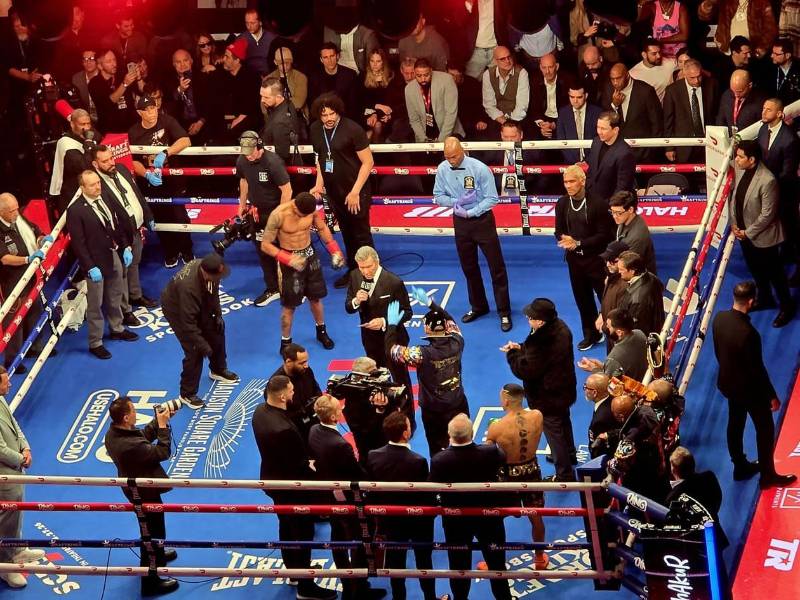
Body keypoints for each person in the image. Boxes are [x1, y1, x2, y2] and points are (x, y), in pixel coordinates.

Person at [251, 376, 337, 600]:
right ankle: (305, 587)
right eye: (290, 391)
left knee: (286, 526)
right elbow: (300, 465)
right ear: (282, 396)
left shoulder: (260, 411)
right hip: (292, 487)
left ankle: (295, 571)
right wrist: (315, 467)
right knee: (302, 532)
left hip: (273, 480)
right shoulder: (283, 430)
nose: (293, 394)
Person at [712, 280, 797, 488]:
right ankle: (768, 476)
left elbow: (718, 351)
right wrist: (772, 396)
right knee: (765, 430)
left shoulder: (719, 318)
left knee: (735, 423)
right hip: (749, 390)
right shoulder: (749, 333)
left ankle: (740, 466)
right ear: (751, 301)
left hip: (728, 384)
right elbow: (757, 370)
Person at [307, 395, 386, 600]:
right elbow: (357, 475)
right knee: (359, 540)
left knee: (338, 539)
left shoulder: (314, 430)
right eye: (338, 409)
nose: (342, 410)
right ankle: (357, 588)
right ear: (334, 417)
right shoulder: (340, 445)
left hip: (329, 496)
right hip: (347, 500)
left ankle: (350, 584)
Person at [429, 414, 512, 600]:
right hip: (488, 519)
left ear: (449, 435)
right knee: (497, 565)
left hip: (456, 521)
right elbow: (503, 460)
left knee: (459, 567)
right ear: (472, 433)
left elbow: (432, 490)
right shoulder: (490, 452)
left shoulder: (440, 460)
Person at [433, 137, 511, 330]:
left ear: (462, 150)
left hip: (482, 221)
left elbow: (492, 198)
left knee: (496, 267)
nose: (451, 161)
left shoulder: (480, 168)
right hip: (460, 222)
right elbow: (438, 196)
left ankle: (504, 311)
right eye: (447, 157)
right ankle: (478, 306)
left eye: (454, 156)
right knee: (469, 267)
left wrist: (471, 211)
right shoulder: (442, 169)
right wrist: (457, 202)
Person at [104, 396, 178, 596]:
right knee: (152, 534)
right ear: (126, 417)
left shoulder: (115, 432)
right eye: (134, 410)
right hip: (142, 493)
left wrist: (159, 421)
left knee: (154, 530)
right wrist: (162, 427)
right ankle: (150, 583)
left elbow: (142, 437)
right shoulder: (127, 445)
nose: (136, 413)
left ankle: (158, 555)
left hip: (141, 489)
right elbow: (162, 452)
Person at [386, 289, 469, 456]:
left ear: (427, 329)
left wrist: (392, 326)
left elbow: (392, 351)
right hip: (458, 402)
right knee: (464, 442)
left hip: (434, 410)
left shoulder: (420, 354)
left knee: (437, 449)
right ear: (445, 328)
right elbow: (451, 321)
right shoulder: (457, 341)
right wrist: (432, 304)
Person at [502, 298, 577, 481]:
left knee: (553, 433)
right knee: (563, 421)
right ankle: (569, 454)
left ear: (541, 321)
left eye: (530, 317)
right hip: (564, 388)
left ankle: (564, 474)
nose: (528, 319)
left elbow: (526, 370)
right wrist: (521, 347)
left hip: (547, 396)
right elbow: (539, 355)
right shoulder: (561, 327)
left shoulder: (541, 341)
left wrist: (512, 354)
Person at [67, 170, 138, 359]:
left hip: (113, 254)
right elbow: (78, 244)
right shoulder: (75, 210)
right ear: (82, 187)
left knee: (115, 295)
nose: (97, 186)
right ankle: (95, 342)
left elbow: (116, 225)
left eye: (98, 182)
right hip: (95, 262)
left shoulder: (104, 197)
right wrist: (90, 266)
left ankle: (117, 328)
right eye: (92, 184)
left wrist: (125, 246)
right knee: (95, 304)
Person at [366, 412, 437, 600]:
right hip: (417, 521)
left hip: (390, 520)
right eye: (409, 425)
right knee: (424, 562)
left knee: (395, 563)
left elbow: (372, 491)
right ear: (406, 433)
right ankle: (430, 597)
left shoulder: (373, 456)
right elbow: (425, 496)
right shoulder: (417, 461)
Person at [260, 192, 344, 351]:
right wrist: (288, 258)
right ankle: (285, 342)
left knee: (316, 298)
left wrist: (335, 250)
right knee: (289, 306)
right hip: (288, 260)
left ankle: (321, 332)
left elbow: (322, 228)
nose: (303, 217)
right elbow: (265, 245)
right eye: (300, 214)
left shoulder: (311, 209)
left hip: (310, 257)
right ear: (294, 206)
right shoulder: (279, 214)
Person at [309, 93, 375, 287]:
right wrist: (319, 184)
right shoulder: (315, 130)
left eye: (332, 114)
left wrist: (355, 192)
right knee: (347, 233)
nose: (329, 118)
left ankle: (371, 275)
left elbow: (368, 162)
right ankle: (354, 271)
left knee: (361, 235)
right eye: (324, 115)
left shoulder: (353, 129)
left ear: (338, 112)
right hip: (334, 192)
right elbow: (321, 159)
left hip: (356, 191)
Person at [160, 254, 240, 410]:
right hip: (177, 309)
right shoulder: (189, 288)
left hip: (198, 301)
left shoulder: (209, 269)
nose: (219, 279)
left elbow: (213, 293)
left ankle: (218, 369)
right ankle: (187, 393)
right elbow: (188, 324)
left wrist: (218, 314)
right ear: (206, 273)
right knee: (194, 349)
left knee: (216, 329)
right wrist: (203, 345)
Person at [729, 140, 795, 327]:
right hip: (744, 235)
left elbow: (767, 215)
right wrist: (734, 224)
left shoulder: (767, 180)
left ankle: (787, 307)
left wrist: (747, 232)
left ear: (752, 160)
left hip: (764, 238)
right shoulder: (741, 170)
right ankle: (765, 298)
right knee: (756, 270)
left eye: (740, 157)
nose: (736, 160)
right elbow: (735, 199)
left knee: (776, 275)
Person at [91, 145, 157, 329]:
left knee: (134, 264)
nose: (111, 163)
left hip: (136, 227)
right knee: (120, 274)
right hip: (119, 236)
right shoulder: (97, 184)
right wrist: (123, 242)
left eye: (111, 158)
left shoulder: (121, 168)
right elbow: (109, 217)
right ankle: (125, 311)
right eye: (105, 161)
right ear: (95, 164)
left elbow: (136, 193)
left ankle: (135, 295)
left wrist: (148, 215)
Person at [486, 383, 548, 570]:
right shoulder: (537, 416)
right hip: (532, 470)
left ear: (506, 400)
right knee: (536, 516)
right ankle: (539, 558)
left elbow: (488, 455)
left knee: (495, 519)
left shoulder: (497, 427)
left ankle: (495, 563)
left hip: (507, 476)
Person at [127, 95, 193, 269]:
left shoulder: (167, 120)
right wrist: (146, 174)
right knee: (161, 217)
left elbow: (185, 140)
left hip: (172, 178)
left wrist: (166, 152)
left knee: (179, 214)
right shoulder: (133, 132)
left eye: (153, 107)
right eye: (147, 110)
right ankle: (171, 251)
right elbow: (132, 160)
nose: (152, 112)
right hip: (152, 181)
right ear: (140, 113)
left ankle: (187, 249)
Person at [555, 164, 615, 351]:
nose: (568, 185)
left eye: (572, 181)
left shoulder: (598, 204)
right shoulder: (562, 203)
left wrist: (579, 243)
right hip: (574, 261)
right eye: (565, 182)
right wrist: (564, 240)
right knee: (583, 300)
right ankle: (591, 335)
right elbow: (558, 230)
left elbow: (605, 235)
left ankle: (615, 334)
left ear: (582, 181)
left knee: (607, 299)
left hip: (596, 260)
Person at [236, 129, 292, 307]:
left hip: (276, 211)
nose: (248, 156)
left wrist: (280, 216)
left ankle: (294, 289)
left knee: (284, 250)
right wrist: (242, 204)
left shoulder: (273, 162)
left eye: (251, 152)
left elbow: (287, 190)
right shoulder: (242, 160)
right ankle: (273, 288)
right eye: (245, 152)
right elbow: (244, 181)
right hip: (257, 213)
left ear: (259, 146)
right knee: (263, 251)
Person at [0, 365, 45, 589]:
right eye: (5, 381)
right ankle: (5, 565)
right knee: (5, 518)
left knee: (16, 512)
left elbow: (14, 425)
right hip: (3, 475)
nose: (10, 383)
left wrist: (25, 447)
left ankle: (17, 549)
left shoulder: (1, 400)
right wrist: (20, 458)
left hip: (14, 470)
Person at [0, 193, 50, 373]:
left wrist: (42, 239)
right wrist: (27, 259)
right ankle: (13, 359)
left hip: (29, 276)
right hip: (11, 282)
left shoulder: (18, 218)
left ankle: (35, 346)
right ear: (1, 212)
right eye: (12, 211)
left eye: (16, 208)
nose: (16, 213)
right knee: (14, 319)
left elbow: (35, 231)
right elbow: (4, 258)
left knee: (34, 310)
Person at [757, 97, 800, 277]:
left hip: (785, 192)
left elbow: (788, 172)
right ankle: (782, 256)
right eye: (763, 108)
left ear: (779, 114)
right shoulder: (762, 130)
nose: (763, 112)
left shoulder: (790, 139)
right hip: (767, 190)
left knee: (791, 229)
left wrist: (769, 187)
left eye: (769, 110)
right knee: (774, 227)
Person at [607, 393, 670, 503]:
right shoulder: (647, 411)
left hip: (642, 478)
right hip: (659, 463)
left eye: (614, 414)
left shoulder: (631, 437)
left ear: (621, 416)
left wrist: (609, 467)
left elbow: (617, 464)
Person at [601, 63, 663, 163]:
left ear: (627, 75)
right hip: (618, 153)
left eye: (618, 78)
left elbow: (657, 122)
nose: (615, 82)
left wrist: (652, 150)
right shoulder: (608, 90)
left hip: (644, 152)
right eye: (612, 79)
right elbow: (605, 121)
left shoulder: (646, 91)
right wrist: (614, 105)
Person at [663, 59, 718, 167]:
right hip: (683, 145)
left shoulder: (712, 85)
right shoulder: (672, 91)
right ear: (684, 74)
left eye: (699, 76)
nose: (697, 81)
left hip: (707, 142)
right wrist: (669, 147)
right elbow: (668, 121)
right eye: (692, 78)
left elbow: (716, 114)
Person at [578, 308, 648, 381]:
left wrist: (594, 369)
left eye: (609, 326)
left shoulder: (614, 359)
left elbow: (607, 383)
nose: (606, 328)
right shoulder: (640, 334)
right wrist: (604, 366)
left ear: (619, 332)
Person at [169, 49, 222, 145]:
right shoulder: (168, 81)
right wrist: (180, 90)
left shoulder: (203, 77)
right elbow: (169, 104)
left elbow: (212, 103)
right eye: (178, 62)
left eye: (185, 60)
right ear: (174, 64)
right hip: (179, 126)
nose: (182, 64)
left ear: (191, 61)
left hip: (203, 122)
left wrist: (200, 122)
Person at [405, 58, 464, 143]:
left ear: (431, 71)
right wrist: (424, 140)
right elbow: (414, 120)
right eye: (419, 76)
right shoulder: (409, 89)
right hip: (424, 137)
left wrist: (440, 141)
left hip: (450, 135)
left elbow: (451, 113)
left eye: (426, 75)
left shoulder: (447, 80)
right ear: (414, 73)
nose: (423, 79)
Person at [270, 343, 322, 440]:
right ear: (289, 362)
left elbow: (315, 388)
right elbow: (277, 416)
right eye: (302, 363)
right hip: (296, 430)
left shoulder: (306, 371)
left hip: (314, 420)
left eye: (306, 361)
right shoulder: (276, 386)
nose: (306, 365)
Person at [49, 108, 96, 213]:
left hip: (91, 188)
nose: (86, 128)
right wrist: (88, 142)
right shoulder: (65, 143)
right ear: (72, 124)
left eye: (88, 123)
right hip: (73, 194)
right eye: (82, 124)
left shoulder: (89, 134)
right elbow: (84, 167)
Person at [585, 110, 636, 203]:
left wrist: (610, 205)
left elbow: (622, 187)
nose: (599, 132)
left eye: (603, 129)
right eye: (598, 127)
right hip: (592, 201)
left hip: (611, 204)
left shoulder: (625, 153)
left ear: (615, 130)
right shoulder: (596, 142)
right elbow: (591, 172)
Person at [218, 37, 263, 141]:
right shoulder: (222, 74)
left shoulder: (252, 77)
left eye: (227, 57)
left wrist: (239, 118)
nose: (223, 59)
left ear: (237, 60)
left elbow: (252, 104)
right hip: (225, 118)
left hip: (247, 118)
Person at [698, 0, 777, 58]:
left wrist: (761, 48)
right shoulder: (726, 2)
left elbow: (771, 29)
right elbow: (704, 16)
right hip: (727, 52)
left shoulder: (762, 2)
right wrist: (708, 4)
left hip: (751, 54)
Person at [479, 46, 529, 138]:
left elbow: (522, 105)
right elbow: (489, 104)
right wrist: (502, 121)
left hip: (517, 119)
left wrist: (511, 123)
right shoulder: (488, 74)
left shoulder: (522, 73)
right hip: (497, 119)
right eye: (503, 59)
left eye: (509, 57)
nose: (507, 61)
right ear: (495, 61)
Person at [88, 49, 138, 134]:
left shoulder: (122, 75)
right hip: (110, 131)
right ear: (100, 66)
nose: (114, 64)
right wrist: (124, 84)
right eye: (109, 61)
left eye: (114, 59)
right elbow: (107, 103)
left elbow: (141, 91)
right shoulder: (94, 83)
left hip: (131, 128)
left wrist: (139, 78)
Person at [617, 250, 666, 336]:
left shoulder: (637, 299)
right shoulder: (651, 276)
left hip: (642, 339)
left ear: (632, 271)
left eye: (621, 269)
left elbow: (636, 328)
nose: (619, 272)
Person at [609, 191, 657, 275]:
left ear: (630, 210)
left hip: (638, 278)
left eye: (618, 213)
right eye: (612, 212)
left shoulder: (637, 237)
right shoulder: (625, 219)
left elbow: (629, 266)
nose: (614, 216)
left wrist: (611, 269)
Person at [307, 43, 360, 119]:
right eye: (325, 57)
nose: (329, 60)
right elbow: (313, 103)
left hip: (345, 117)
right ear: (321, 60)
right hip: (323, 117)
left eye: (332, 56)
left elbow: (353, 104)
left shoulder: (350, 75)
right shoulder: (314, 77)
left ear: (337, 56)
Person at [260, 77, 305, 164]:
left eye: (266, 97)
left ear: (278, 97)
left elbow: (281, 155)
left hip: (275, 166)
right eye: (261, 96)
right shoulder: (287, 103)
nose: (262, 100)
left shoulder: (280, 122)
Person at [597, 240, 631, 350]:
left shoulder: (626, 286)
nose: (608, 264)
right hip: (612, 334)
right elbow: (607, 300)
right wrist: (602, 314)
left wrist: (606, 327)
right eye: (607, 260)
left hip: (620, 339)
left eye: (612, 261)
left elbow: (623, 318)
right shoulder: (610, 278)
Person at [556, 83, 602, 164]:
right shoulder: (563, 113)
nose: (575, 101)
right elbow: (561, 140)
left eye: (579, 97)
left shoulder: (597, 112)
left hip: (593, 162)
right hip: (570, 164)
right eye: (572, 97)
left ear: (586, 95)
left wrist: (587, 161)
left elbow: (599, 139)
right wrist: (575, 163)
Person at [629, 38, 674, 103]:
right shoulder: (633, 74)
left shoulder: (670, 64)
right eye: (654, 54)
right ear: (644, 55)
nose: (658, 56)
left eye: (659, 52)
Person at [583, 373, 617, 458]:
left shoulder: (600, 419)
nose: (585, 389)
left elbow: (598, 449)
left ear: (594, 392)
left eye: (586, 387)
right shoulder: (611, 399)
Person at [266, 47, 308, 116]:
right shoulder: (268, 79)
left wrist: (276, 104)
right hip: (274, 117)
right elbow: (265, 103)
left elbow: (299, 102)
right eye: (281, 63)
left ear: (292, 61)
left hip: (296, 116)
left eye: (287, 62)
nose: (285, 66)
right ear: (275, 62)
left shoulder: (300, 77)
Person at [239, 8, 276, 77]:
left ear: (260, 22)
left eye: (252, 23)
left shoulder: (272, 38)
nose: (249, 26)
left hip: (270, 77)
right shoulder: (241, 39)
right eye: (247, 23)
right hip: (248, 77)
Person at [71, 50, 99, 122]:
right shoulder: (76, 78)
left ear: (97, 61)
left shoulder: (105, 75)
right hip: (86, 119)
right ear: (82, 62)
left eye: (91, 59)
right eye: (85, 59)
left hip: (105, 118)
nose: (88, 62)